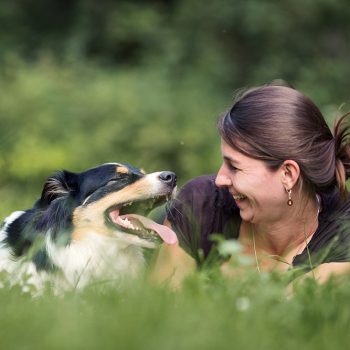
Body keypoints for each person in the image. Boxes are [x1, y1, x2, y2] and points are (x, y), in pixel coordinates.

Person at [163, 83, 350, 282]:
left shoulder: (342, 233)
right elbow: (160, 302)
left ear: (288, 174)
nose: (219, 179)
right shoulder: (200, 203)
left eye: (234, 167)